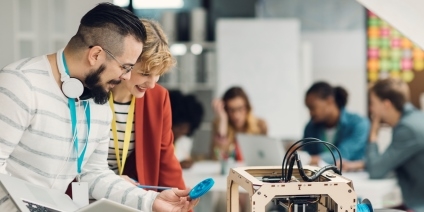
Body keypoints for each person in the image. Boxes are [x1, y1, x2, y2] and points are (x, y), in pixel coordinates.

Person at [0, 3, 197, 212]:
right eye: (125, 67)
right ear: (95, 55)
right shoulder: (20, 84)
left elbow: (94, 174)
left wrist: (150, 200)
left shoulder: (98, 103)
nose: (127, 77)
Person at [107, 19, 188, 192]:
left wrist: (182, 203)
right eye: (145, 73)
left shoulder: (158, 97)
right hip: (84, 196)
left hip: (127, 198)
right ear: (124, 63)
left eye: (158, 74)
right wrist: (110, 181)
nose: (151, 84)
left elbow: (165, 159)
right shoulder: (90, 93)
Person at [365, 78, 424, 211]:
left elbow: (375, 170)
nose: (371, 109)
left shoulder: (407, 128)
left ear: (386, 104)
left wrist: (373, 134)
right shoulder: (416, 118)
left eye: (373, 103)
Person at [303, 82, 370, 169]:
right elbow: (307, 155)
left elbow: (344, 154)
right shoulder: (311, 127)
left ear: (329, 101)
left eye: (313, 107)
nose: (310, 113)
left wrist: (310, 159)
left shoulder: (359, 124)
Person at [211, 86, 267, 161]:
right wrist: (223, 119)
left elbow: (264, 157)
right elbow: (216, 158)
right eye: (231, 110)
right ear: (226, 110)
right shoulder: (219, 125)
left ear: (247, 108)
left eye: (240, 109)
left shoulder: (260, 126)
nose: (236, 115)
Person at [169, 90, 204, 169]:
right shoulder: (159, 141)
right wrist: (178, 165)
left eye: (187, 129)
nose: (183, 131)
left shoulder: (184, 141)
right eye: (180, 127)